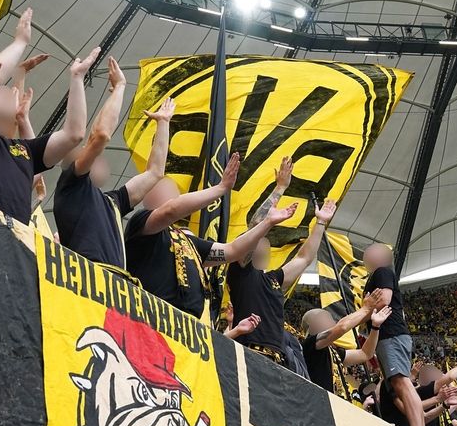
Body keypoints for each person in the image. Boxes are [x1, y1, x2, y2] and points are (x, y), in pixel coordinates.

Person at [0, 9, 95, 225]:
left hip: (12, 251)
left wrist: (77, 78)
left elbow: (74, 134)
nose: (7, 91)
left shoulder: (25, 151)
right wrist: (20, 42)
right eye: (0, 91)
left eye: (9, 91)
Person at [124, 152, 298, 320]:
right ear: (147, 195)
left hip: (186, 327)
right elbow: (171, 210)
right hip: (151, 316)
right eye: (167, 189)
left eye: (175, 191)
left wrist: (268, 223)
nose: (176, 195)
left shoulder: (188, 242)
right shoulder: (140, 223)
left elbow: (233, 250)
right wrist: (221, 188)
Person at [54, 56, 174, 268]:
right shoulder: (71, 186)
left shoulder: (114, 201)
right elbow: (100, 135)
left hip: (114, 289)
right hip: (87, 281)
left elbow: (155, 172)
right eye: (92, 155)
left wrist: (163, 123)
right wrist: (120, 86)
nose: (100, 157)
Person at [226, 178, 338, 366]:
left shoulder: (273, 279)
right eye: (258, 239)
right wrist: (280, 188)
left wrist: (320, 223)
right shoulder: (241, 271)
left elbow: (304, 259)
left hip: (277, 359)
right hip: (248, 350)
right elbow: (254, 229)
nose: (263, 241)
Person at [363, 242, 424, 426]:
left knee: (401, 382)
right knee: (398, 383)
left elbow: (384, 300)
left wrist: (364, 310)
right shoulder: (380, 274)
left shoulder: (382, 272)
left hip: (391, 333)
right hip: (390, 335)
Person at [298, 293, 393, 396]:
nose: (333, 321)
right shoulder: (308, 345)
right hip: (320, 404)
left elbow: (366, 353)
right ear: (312, 325)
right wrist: (365, 308)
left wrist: (375, 327)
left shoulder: (333, 352)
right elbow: (342, 327)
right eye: (326, 317)